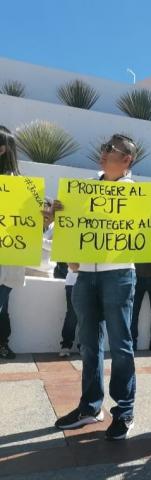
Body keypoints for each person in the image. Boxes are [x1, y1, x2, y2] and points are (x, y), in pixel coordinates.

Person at [54, 134, 151, 440]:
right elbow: (66, 230)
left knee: (122, 344)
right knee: (89, 344)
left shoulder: (137, 195)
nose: (103, 151)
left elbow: (150, 235)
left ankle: (124, 410)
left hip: (118, 275)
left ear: (127, 160)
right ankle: (90, 407)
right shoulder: (85, 190)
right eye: (104, 146)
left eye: (111, 149)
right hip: (84, 276)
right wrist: (57, 215)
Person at [0, 126, 25, 360]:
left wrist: (46, 212)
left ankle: (2, 343)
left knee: (1, 304)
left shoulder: (19, 185)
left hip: (6, 258)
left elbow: (33, 218)